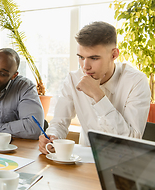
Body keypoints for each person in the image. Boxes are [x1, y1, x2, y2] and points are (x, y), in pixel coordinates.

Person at [39, 21, 151, 154]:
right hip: (85, 162)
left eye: (94, 58)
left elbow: (131, 140)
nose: (85, 66)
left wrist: (98, 96)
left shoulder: (136, 81)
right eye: (81, 57)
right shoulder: (73, 79)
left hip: (122, 164)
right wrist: (52, 136)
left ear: (114, 54)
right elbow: (59, 122)